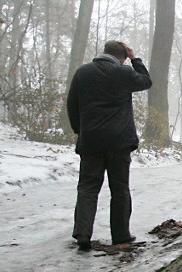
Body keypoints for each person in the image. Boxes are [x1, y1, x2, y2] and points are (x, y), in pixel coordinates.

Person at [67, 40, 152, 251]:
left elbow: (72, 105)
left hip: (91, 141)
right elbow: (146, 81)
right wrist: (135, 59)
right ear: (123, 57)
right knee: (120, 188)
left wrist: (81, 130)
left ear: (104, 52)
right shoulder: (123, 73)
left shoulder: (83, 73)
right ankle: (121, 234)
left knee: (87, 187)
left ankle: (83, 233)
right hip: (119, 141)